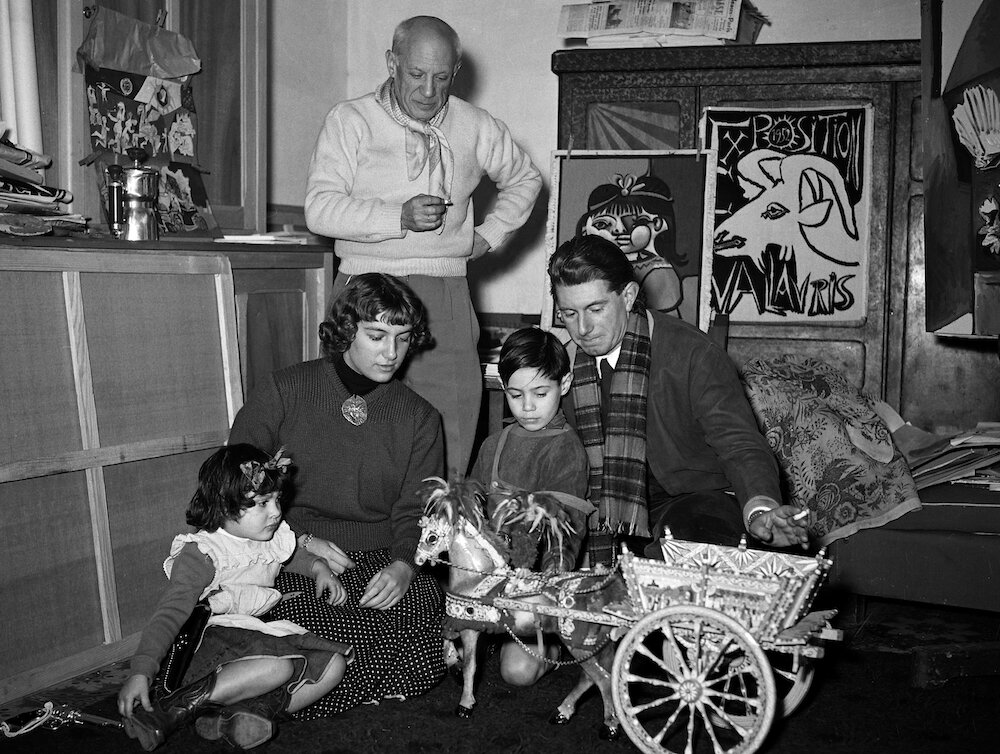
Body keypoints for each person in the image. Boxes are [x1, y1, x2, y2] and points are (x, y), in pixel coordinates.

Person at [303, 15, 542, 477]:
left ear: (456, 72)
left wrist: (489, 235)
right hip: (362, 288)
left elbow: (526, 179)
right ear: (392, 63)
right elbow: (319, 210)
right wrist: (398, 217)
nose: (429, 91)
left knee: (450, 427)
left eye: (441, 77)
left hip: (443, 293)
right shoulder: (350, 120)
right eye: (416, 74)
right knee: (351, 422)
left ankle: (440, 521)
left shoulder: (475, 125)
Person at [228, 272, 447, 717]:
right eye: (376, 336)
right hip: (289, 553)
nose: (392, 353)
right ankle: (283, 694)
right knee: (335, 633)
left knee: (425, 621)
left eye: (403, 338)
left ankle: (265, 702)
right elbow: (237, 484)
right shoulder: (285, 390)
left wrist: (404, 566)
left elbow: (420, 510)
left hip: (382, 555)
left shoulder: (420, 417)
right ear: (347, 330)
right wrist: (299, 542)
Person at [547, 234, 809, 566]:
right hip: (609, 512)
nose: (582, 328)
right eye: (569, 314)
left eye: (595, 309)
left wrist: (760, 510)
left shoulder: (693, 353)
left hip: (697, 501)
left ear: (628, 296)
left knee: (692, 536)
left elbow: (739, 443)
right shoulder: (563, 367)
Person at [118, 444, 352, 751]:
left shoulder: (267, 537)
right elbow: (169, 615)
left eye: (277, 500)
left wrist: (318, 567)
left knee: (334, 666)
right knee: (279, 667)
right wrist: (141, 670)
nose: (276, 512)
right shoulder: (204, 553)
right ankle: (173, 709)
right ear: (224, 506)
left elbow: (289, 555)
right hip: (210, 643)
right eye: (262, 503)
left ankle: (235, 717)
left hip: (255, 633)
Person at [468, 327, 594, 687]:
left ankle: (552, 647)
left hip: (534, 583)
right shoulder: (494, 445)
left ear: (564, 383)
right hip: (490, 581)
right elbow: (471, 514)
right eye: (515, 394)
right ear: (502, 386)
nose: (527, 406)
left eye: (540, 393)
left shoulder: (566, 450)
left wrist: (547, 586)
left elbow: (565, 535)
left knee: (516, 673)